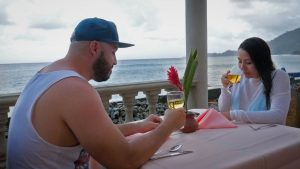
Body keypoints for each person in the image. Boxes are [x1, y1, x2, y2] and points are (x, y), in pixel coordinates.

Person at [7, 17, 186, 169]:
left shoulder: (45, 76)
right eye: (113, 52)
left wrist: (139, 126)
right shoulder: (74, 89)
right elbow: (125, 160)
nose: (115, 62)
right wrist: (168, 125)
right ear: (94, 47)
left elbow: (92, 133)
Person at [218, 37, 291, 124]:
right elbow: (223, 109)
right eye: (239, 61)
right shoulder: (237, 73)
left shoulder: (278, 77)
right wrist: (225, 88)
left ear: (262, 62)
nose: (242, 67)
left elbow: (278, 116)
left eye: (248, 62)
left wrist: (234, 115)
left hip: (267, 134)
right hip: (239, 132)